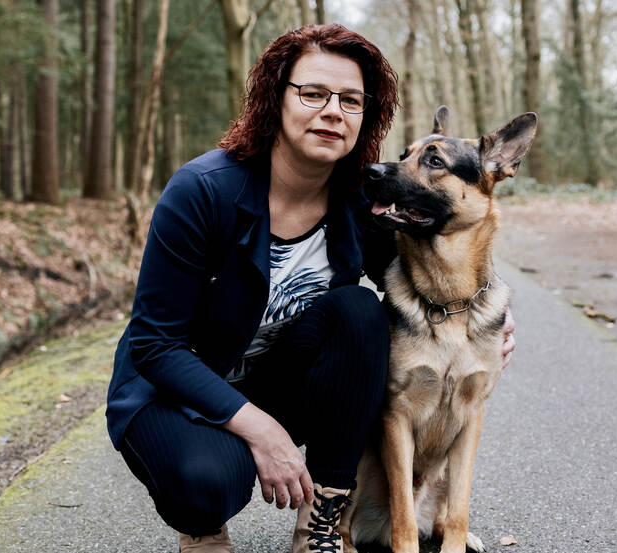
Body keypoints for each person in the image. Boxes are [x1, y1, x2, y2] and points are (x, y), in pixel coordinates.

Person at [106, 24, 516, 553]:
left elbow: (441, 281)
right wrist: (263, 432)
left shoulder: (361, 204)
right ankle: (203, 531)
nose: (332, 111)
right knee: (204, 483)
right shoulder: (202, 192)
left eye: (350, 99)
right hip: (180, 390)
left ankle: (321, 523)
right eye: (314, 93)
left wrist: (493, 319)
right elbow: (154, 345)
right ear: (275, 99)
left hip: (280, 381)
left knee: (359, 312)